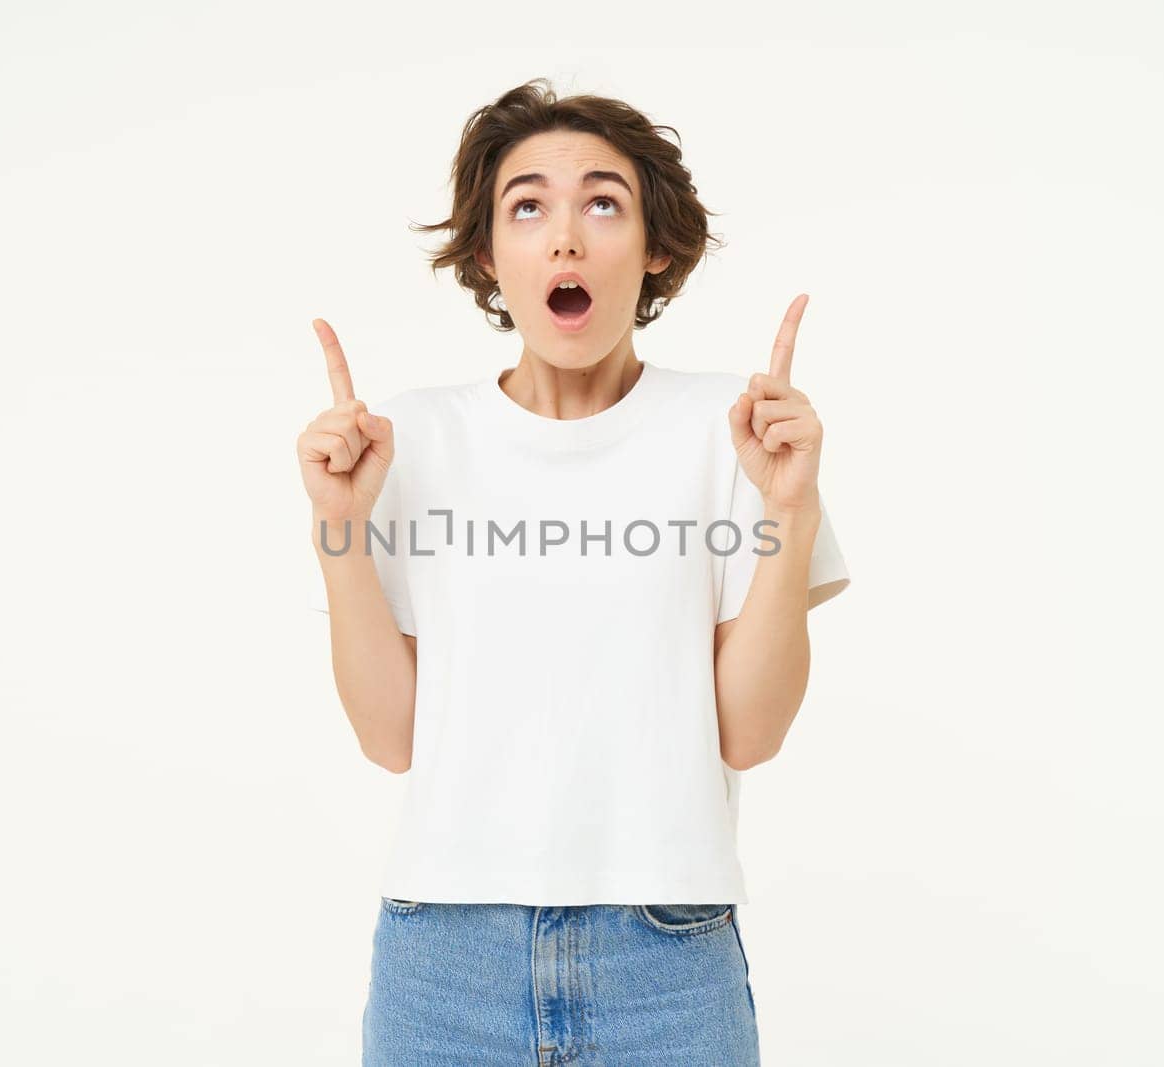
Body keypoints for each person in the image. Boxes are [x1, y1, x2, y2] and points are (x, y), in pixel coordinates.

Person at [299, 79, 850, 1066]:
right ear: (486, 254)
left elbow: (752, 731)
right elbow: (389, 737)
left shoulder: (737, 431)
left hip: (667, 956)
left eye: (603, 202)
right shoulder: (410, 437)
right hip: (445, 960)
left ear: (655, 248)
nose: (564, 237)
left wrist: (789, 511)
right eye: (527, 206)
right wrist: (337, 529)